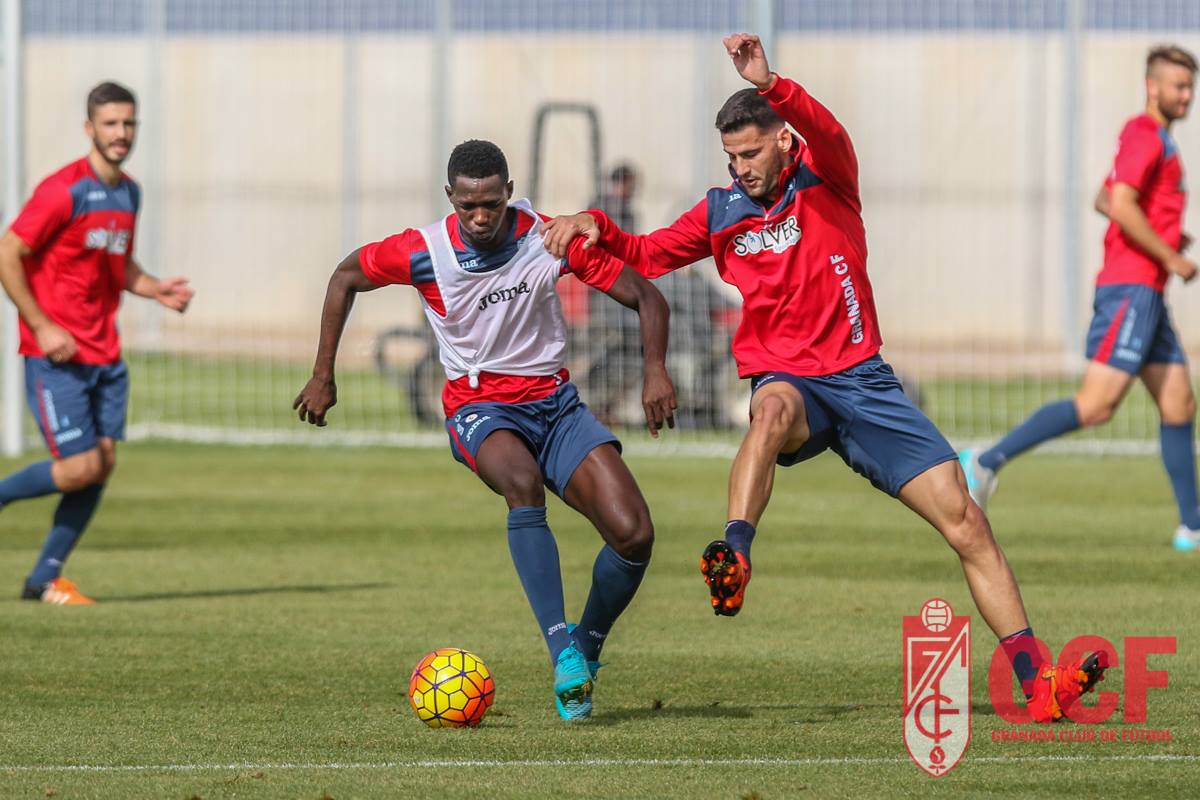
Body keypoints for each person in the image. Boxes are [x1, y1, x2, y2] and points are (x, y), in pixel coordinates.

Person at [542, 34, 1104, 722]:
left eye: (751, 153)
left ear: (782, 140)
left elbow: (827, 128)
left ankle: (1035, 683)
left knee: (967, 522)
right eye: (731, 157)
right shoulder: (722, 212)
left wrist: (772, 82)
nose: (741, 167)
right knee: (770, 411)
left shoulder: (828, 176)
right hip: (791, 381)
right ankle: (735, 552)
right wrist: (589, 226)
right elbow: (647, 254)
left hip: (864, 383)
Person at [293, 139, 675, 721]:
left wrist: (654, 372)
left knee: (635, 536)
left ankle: (586, 646)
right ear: (451, 197)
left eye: (491, 204)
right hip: (480, 407)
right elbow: (344, 277)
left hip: (555, 404)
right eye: (468, 205)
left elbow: (647, 297)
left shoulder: (549, 238)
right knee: (520, 483)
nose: (480, 217)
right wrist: (323, 375)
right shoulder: (422, 251)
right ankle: (560, 654)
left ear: (508, 194)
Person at [961, 45, 1200, 553]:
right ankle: (985, 461)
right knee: (1096, 406)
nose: (1187, 95)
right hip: (1131, 288)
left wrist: (1163, 236)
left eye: (1190, 86)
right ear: (1151, 86)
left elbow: (1103, 197)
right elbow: (1118, 202)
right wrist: (1171, 255)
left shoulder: (1156, 139)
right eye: (1178, 86)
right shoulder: (1144, 134)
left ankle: (1192, 526)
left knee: (1179, 403)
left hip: (1147, 290)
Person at [0, 81, 193, 605]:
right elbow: (8, 252)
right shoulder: (63, 190)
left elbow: (118, 263)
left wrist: (155, 289)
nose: (121, 134)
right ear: (90, 128)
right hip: (55, 355)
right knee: (80, 467)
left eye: (128, 123)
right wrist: (40, 324)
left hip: (104, 353)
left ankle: (44, 577)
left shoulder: (129, 192)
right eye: (110, 124)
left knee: (101, 465)